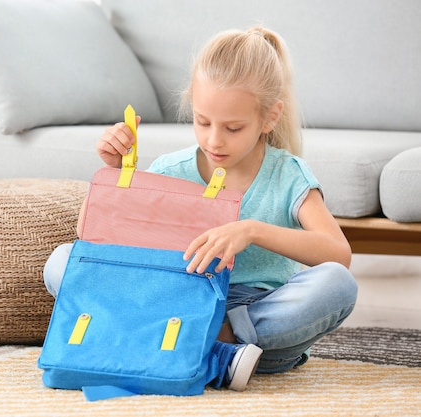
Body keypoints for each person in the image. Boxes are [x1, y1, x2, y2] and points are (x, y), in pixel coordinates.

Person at [43, 26, 358, 392]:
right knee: (62, 260)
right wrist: (114, 174)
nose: (214, 140)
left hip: (256, 325)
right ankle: (214, 357)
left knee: (338, 285)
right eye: (202, 122)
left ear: (269, 118)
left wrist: (252, 230)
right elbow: (92, 240)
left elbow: (339, 254)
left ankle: (214, 342)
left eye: (233, 128)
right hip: (175, 306)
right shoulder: (171, 170)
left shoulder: (287, 175)